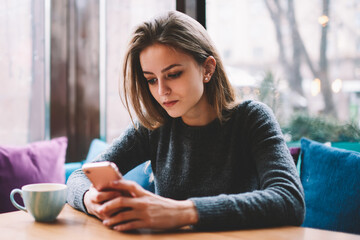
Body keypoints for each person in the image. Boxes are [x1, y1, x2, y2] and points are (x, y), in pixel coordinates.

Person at [66, 10, 305, 232]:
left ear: (207, 69)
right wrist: (92, 200)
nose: (162, 91)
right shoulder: (153, 126)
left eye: (173, 74)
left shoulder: (252, 119)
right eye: (151, 80)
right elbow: (77, 178)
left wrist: (181, 212)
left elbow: (289, 200)